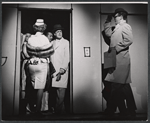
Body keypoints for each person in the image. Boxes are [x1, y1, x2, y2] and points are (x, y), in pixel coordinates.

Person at [102, 8, 137, 116]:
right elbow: (107, 33)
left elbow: (129, 40)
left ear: (121, 16)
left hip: (121, 59)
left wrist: (115, 48)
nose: (115, 17)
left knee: (116, 86)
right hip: (113, 58)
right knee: (123, 86)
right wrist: (108, 20)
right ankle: (130, 109)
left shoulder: (125, 26)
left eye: (115, 16)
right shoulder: (116, 28)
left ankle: (112, 109)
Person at [22, 19, 54, 115]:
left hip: (31, 64)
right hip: (41, 64)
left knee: (32, 87)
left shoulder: (31, 38)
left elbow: (27, 54)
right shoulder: (44, 39)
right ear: (43, 28)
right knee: (40, 88)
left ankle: (30, 107)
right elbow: (50, 52)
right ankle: (38, 110)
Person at [48, 24, 70, 115]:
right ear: (54, 33)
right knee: (54, 92)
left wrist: (63, 68)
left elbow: (67, 57)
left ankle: (58, 112)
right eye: (57, 32)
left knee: (61, 91)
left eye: (60, 31)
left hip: (62, 69)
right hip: (53, 69)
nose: (59, 33)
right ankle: (60, 110)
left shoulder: (66, 42)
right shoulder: (52, 43)